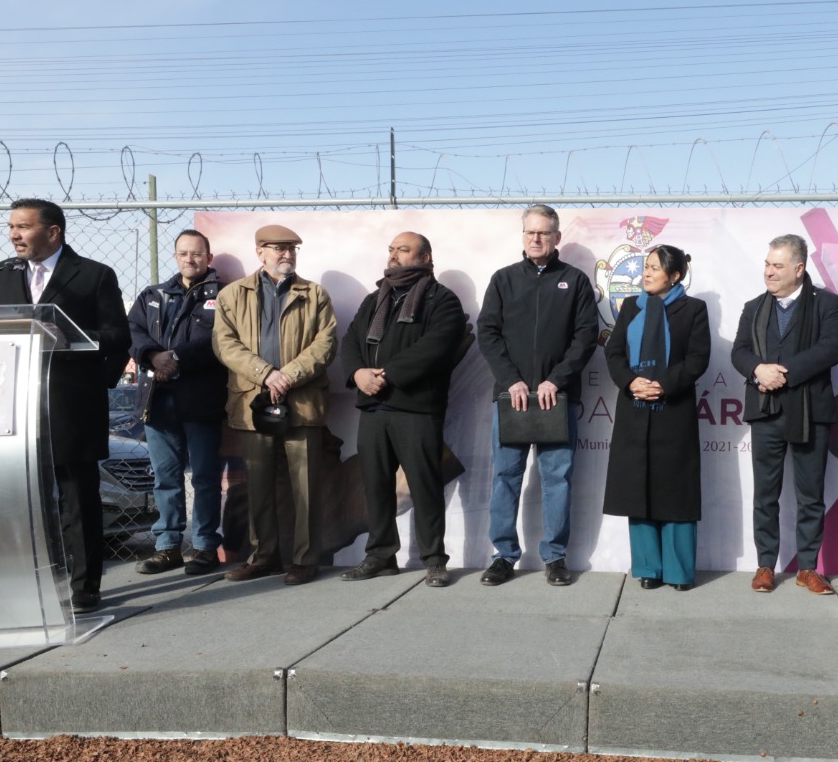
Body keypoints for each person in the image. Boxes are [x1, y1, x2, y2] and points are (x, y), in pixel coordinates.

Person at [0, 199, 131, 614]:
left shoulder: (94, 275)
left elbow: (117, 336)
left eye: (23, 227)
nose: (14, 235)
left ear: (53, 232)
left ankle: (84, 586)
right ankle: (26, 584)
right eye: (11, 226)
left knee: (77, 500)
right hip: (12, 405)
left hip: (70, 405)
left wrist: (67, 336)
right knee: (19, 501)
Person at [475, 204, 599, 587]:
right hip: (510, 398)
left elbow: (585, 336)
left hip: (556, 399)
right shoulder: (503, 279)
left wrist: (555, 381)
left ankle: (555, 557)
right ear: (523, 235)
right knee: (505, 477)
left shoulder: (575, 281)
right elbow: (487, 333)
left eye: (543, 232)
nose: (536, 238)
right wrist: (510, 380)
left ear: (556, 237)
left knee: (557, 478)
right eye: (530, 232)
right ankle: (503, 556)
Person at [339, 231, 466, 588]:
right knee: (375, 486)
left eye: (403, 249)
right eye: (392, 249)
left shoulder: (442, 300)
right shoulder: (374, 299)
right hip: (373, 407)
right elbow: (351, 341)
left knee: (424, 486)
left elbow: (435, 348)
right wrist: (358, 373)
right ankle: (381, 556)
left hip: (416, 409)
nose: (394, 255)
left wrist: (386, 375)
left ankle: (434, 560)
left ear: (425, 258)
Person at [212, 223, 337, 586]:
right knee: (258, 487)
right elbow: (224, 344)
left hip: (303, 403)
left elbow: (326, 343)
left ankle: (305, 560)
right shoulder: (232, 295)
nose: (287, 254)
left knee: (306, 488)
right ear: (260, 252)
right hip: (253, 404)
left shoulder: (315, 294)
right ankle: (263, 557)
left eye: (291, 249)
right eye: (279, 248)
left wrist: (289, 376)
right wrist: (266, 373)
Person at [731, 233, 838, 594]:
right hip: (765, 411)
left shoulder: (828, 304)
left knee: (810, 494)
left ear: (799, 268)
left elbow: (830, 348)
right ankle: (766, 565)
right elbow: (740, 351)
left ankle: (808, 567)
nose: (769, 271)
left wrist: (782, 373)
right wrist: (757, 370)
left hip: (810, 411)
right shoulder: (754, 307)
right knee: (765, 494)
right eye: (767, 264)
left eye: (777, 266)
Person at [602, 245, 712, 591]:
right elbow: (614, 352)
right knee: (638, 488)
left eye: (653, 268)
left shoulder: (693, 309)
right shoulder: (631, 306)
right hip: (634, 409)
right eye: (645, 267)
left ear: (674, 276)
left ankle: (679, 572)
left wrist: (664, 385)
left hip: (673, 410)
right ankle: (647, 567)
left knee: (675, 491)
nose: (645, 273)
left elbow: (697, 358)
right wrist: (630, 381)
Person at [127, 229, 227, 577]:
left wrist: (176, 358)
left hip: (201, 400)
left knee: (205, 478)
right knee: (165, 478)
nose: (190, 259)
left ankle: (205, 547)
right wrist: (152, 356)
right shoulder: (152, 295)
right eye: (183, 253)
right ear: (175, 257)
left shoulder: (225, 296)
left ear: (208, 257)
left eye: (197, 253)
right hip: (158, 400)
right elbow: (133, 332)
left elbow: (221, 340)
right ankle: (168, 547)